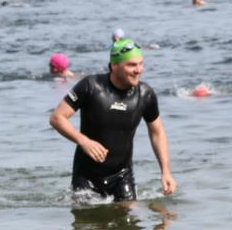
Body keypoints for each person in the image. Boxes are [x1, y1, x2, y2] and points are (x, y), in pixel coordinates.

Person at [48, 39, 176, 202]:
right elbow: (57, 118)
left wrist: (166, 171)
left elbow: (157, 131)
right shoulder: (91, 86)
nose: (139, 70)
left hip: (122, 175)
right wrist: (83, 141)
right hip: (86, 176)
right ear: (114, 65)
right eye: (131, 65)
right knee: (91, 225)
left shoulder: (145, 94)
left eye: (141, 64)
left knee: (131, 224)